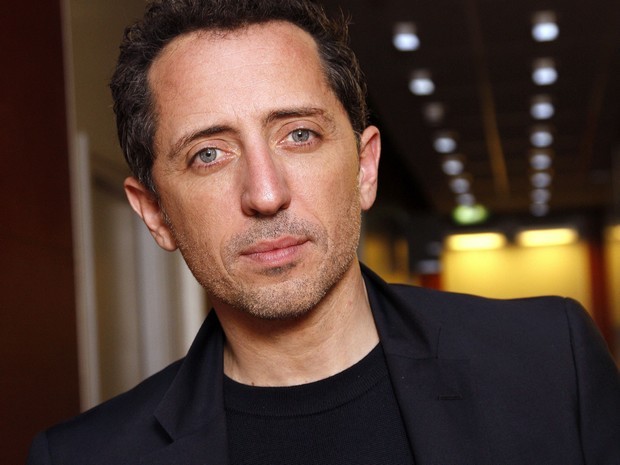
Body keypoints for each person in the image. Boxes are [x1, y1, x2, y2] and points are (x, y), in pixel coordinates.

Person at [28, 0, 620, 463]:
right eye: (209, 154)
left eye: (299, 135)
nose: (266, 194)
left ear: (364, 168)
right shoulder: (84, 456)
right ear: (156, 214)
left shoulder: (549, 363)